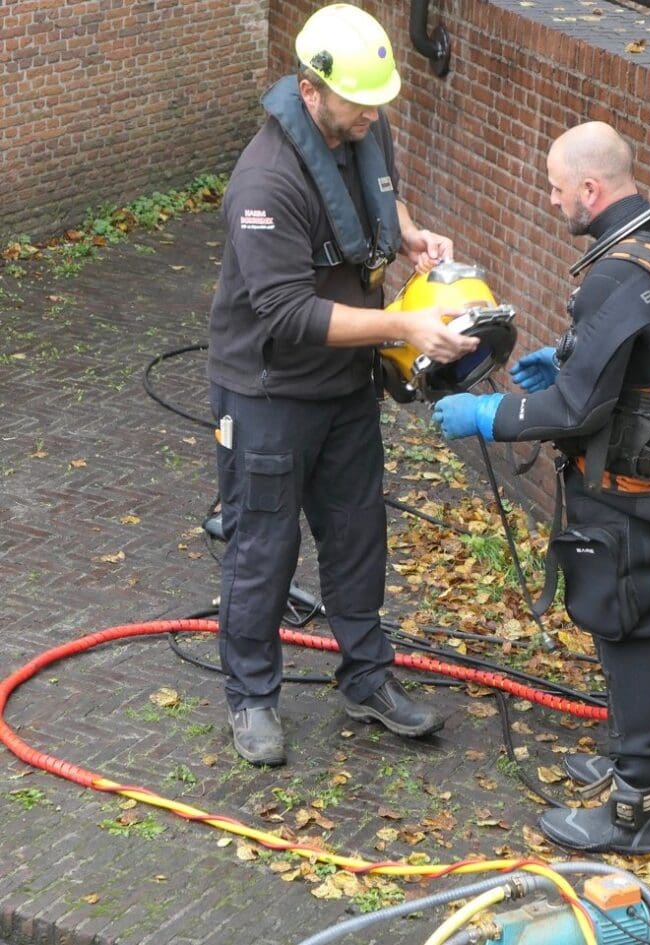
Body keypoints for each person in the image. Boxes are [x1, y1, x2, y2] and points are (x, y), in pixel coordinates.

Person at [432, 122, 650, 854]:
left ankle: (634, 808)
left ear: (589, 190)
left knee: (621, 629)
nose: (551, 197)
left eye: (556, 187)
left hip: (623, 495)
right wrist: (564, 355)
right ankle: (644, 746)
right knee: (649, 620)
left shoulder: (618, 272)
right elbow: (645, 355)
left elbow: (576, 409)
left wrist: (488, 413)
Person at [207, 3, 479, 767]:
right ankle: (253, 697)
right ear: (309, 88)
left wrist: (408, 233)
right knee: (263, 545)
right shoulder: (262, 183)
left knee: (358, 534)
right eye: (358, 102)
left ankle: (366, 679)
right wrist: (403, 326)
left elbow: (372, 187)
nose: (371, 114)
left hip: (342, 389)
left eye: (377, 102)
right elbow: (288, 312)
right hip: (267, 390)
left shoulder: (363, 124)